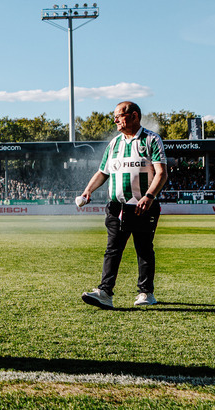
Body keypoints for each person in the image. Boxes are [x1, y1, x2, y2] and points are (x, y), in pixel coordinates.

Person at [77, 101, 168, 309]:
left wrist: (149, 196)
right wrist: (89, 190)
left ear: (134, 116)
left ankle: (146, 293)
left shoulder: (151, 140)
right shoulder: (114, 144)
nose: (115, 119)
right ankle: (105, 292)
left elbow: (161, 173)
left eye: (119, 115)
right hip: (117, 207)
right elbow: (103, 172)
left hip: (143, 206)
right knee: (112, 250)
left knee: (144, 249)